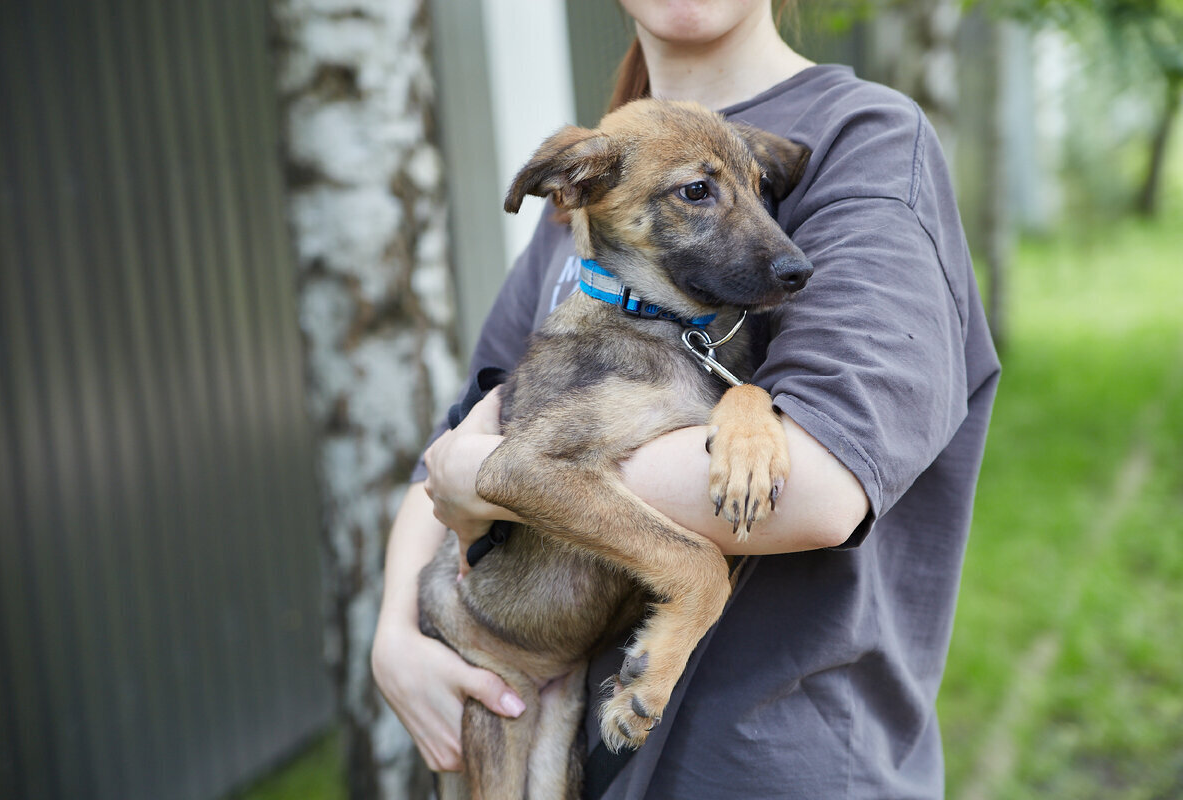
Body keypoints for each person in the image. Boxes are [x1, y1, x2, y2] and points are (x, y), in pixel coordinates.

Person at [372, 0, 1000, 797]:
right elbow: (451, 447)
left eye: (749, 189)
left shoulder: (868, 143)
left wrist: (496, 469)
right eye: (697, 193)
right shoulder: (597, 193)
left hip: (766, 765)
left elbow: (815, 489)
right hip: (555, 739)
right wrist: (394, 634)